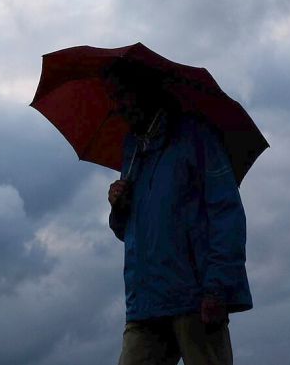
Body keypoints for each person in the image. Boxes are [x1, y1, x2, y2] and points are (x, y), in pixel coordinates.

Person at [104, 61, 252, 365]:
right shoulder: (133, 150)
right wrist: (119, 208)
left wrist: (217, 288)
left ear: (145, 92)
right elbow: (128, 231)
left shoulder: (196, 137)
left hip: (196, 298)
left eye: (122, 95)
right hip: (144, 302)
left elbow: (227, 215)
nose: (116, 105)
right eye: (114, 97)